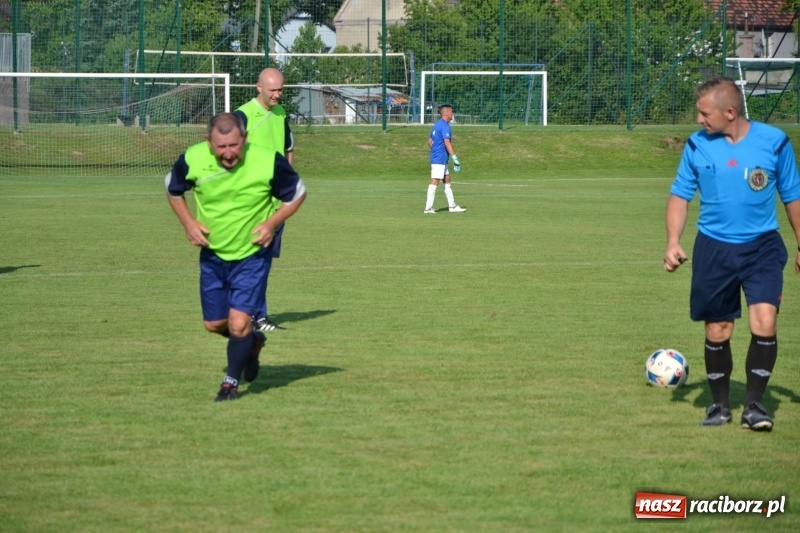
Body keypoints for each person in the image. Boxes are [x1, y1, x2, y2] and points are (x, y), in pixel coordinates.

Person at [664, 76, 800, 430]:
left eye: (704, 113)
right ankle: (720, 407)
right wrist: (673, 240)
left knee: (764, 321)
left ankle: (754, 406)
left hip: (762, 247)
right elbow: (680, 196)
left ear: (729, 112)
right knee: (718, 329)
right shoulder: (697, 145)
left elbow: (793, 196)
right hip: (713, 248)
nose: (699, 120)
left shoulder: (775, 142)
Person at [166, 112, 307, 401]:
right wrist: (189, 223)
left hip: (252, 254)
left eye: (234, 145)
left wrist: (271, 223)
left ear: (245, 139)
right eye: (221, 147)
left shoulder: (267, 160)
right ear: (208, 143)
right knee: (215, 325)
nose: (228, 153)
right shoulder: (193, 158)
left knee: (239, 322)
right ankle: (251, 344)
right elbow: (173, 189)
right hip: (213, 254)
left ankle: (230, 384)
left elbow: (298, 193)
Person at [235, 67, 294, 332]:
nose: (277, 94)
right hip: (251, 203)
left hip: (275, 205)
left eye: (281, 89)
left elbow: (288, 148)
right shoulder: (242, 116)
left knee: (263, 263)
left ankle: (253, 315)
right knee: (253, 262)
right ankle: (254, 316)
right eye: (273, 90)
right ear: (258, 87)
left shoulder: (280, 114)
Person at [424, 103, 466, 214]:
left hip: (440, 158)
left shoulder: (437, 125)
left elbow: (429, 142)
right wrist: (454, 157)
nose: (453, 114)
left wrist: (436, 150)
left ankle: (452, 206)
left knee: (447, 179)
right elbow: (447, 142)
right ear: (446, 113)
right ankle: (428, 208)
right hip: (439, 159)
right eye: (451, 111)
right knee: (435, 181)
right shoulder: (444, 126)